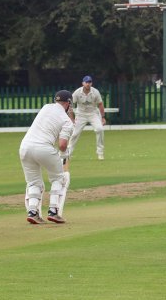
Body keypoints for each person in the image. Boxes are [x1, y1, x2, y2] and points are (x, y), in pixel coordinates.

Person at [19, 90, 74, 224]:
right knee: (59, 178)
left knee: (34, 182)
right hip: (43, 148)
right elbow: (62, 145)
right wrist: (65, 154)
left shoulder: (46, 107)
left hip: (24, 147)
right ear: (68, 104)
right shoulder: (67, 121)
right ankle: (53, 211)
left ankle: (32, 212)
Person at [67, 75, 106, 160]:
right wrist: (72, 119)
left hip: (93, 114)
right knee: (75, 134)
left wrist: (103, 117)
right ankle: (68, 153)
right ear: (83, 83)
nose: (88, 84)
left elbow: (100, 104)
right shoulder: (77, 92)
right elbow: (70, 105)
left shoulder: (95, 92)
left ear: (91, 83)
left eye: (90, 82)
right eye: (86, 82)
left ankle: (100, 152)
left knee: (99, 129)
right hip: (81, 114)